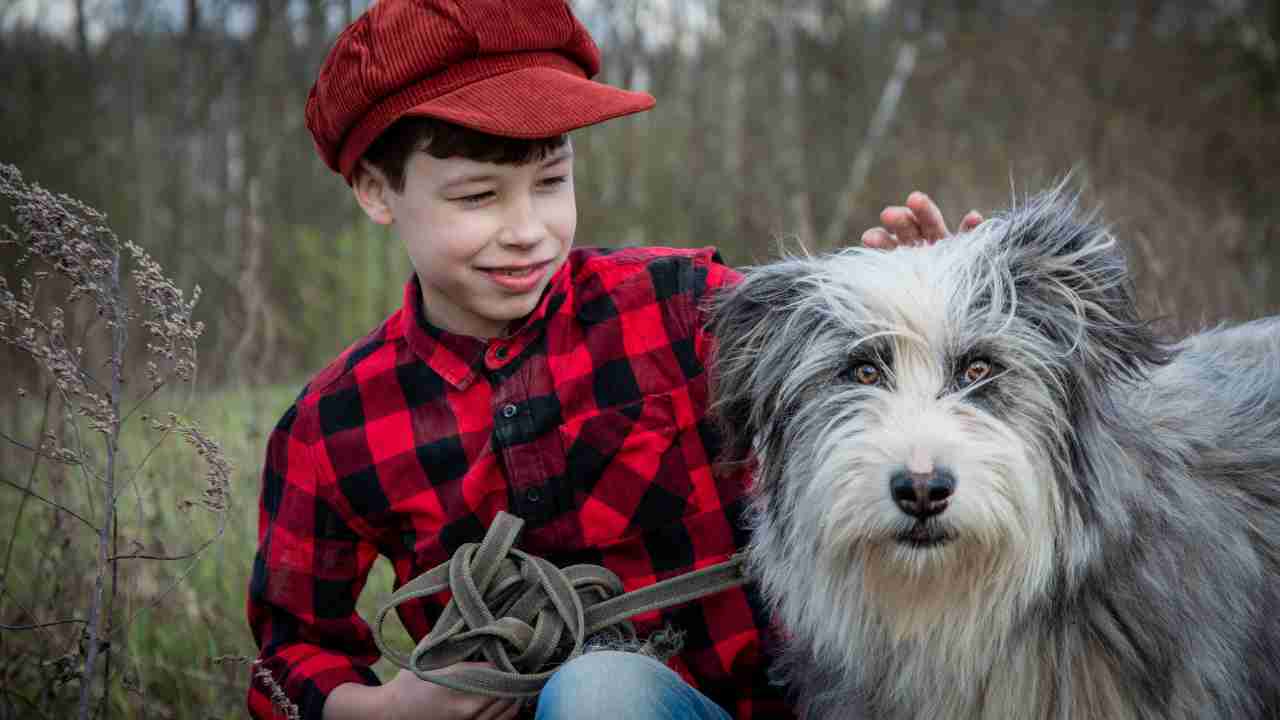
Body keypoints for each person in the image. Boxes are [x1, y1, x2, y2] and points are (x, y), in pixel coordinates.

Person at [246, 2, 979, 719]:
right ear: (377, 190)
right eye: (478, 197)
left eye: (551, 183)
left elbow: (835, 374)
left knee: (598, 694)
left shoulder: (686, 307)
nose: (528, 229)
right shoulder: (329, 427)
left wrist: (907, 305)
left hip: (773, 703)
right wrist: (388, 709)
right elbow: (289, 655)